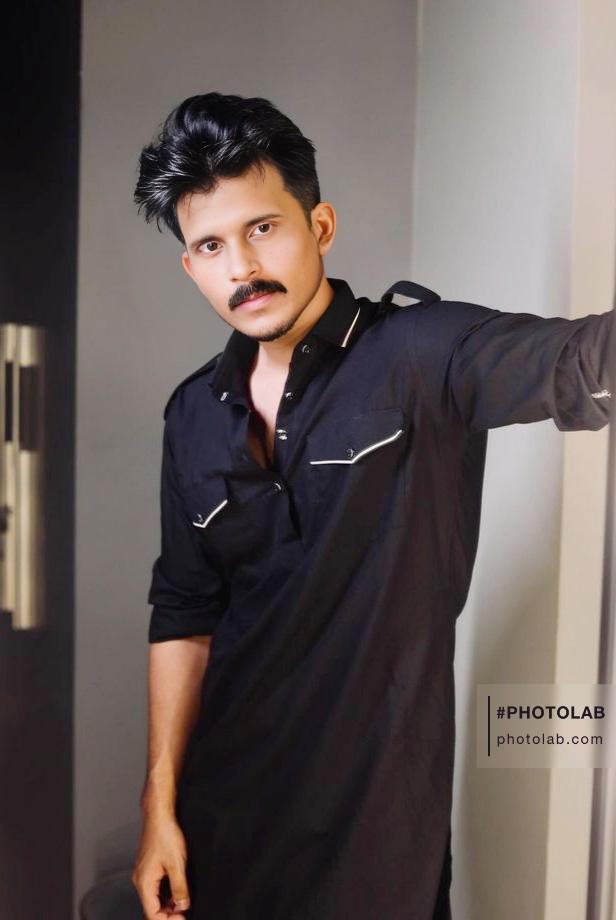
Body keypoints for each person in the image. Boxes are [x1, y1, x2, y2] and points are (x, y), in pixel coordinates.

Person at [130, 92, 614, 920]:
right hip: (223, 822)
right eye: (211, 245)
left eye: (262, 228)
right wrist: (159, 806)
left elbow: (578, 360)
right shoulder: (190, 414)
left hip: (378, 836)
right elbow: (185, 612)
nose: (240, 266)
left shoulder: (422, 353)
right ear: (190, 265)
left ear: (319, 225)